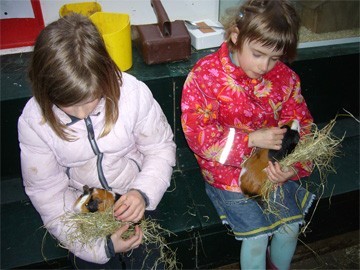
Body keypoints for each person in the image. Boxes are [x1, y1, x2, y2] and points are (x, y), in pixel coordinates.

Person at [18, 13, 176, 269]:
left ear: (105, 76)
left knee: (150, 259)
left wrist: (142, 193)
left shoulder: (133, 95)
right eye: (69, 105)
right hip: (81, 200)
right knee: (91, 262)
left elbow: (160, 149)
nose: (81, 114)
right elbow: (47, 192)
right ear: (44, 90)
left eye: (90, 101)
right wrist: (101, 247)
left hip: (133, 190)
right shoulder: (34, 121)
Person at [181, 0, 315, 269]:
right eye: (257, 54)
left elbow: (303, 126)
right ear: (235, 36)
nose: (265, 66)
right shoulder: (205, 76)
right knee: (256, 238)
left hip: (273, 169)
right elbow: (198, 135)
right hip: (227, 174)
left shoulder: (286, 79)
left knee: (289, 228)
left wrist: (292, 168)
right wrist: (250, 140)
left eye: (275, 58)